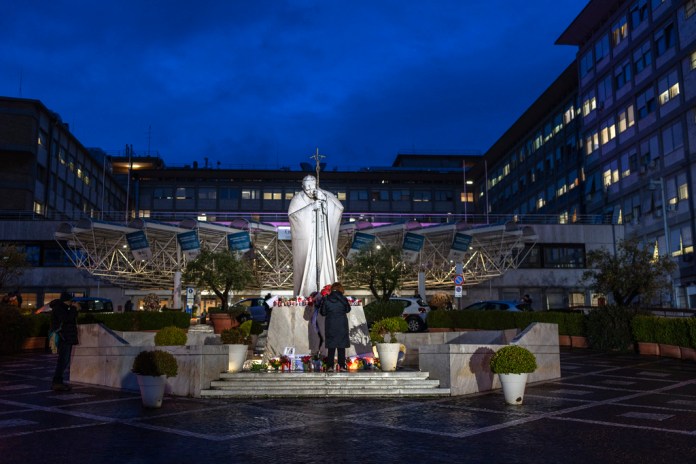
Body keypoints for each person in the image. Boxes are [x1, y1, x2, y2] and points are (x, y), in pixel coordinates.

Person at [288, 175, 343, 297]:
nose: (309, 191)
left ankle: (326, 288)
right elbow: (293, 216)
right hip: (308, 241)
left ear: (316, 184)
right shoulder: (297, 199)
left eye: (311, 188)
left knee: (324, 263)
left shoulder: (325, 194)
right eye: (306, 188)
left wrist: (324, 201)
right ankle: (306, 292)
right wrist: (311, 208)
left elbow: (339, 208)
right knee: (307, 266)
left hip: (323, 239)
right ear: (302, 187)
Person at [49, 292, 79, 391]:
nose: (73, 302)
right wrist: (74, 309)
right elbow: (67, 319)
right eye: (72, 300)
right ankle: (57, 382)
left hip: (66, 337)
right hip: (64, 337)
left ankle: (59, 381)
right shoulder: (59, 308)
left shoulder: (64, 308)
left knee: (64, 361)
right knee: (63, 360)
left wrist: (73, 309)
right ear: (68, 300)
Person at [319, 282, 352, 372]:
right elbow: (348, 309)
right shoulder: (343, 298)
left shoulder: (326, 298)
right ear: (340, 288)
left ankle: (330, 366)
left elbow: (323, 312)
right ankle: (342, 366)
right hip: (342, 324)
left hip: (330, 324)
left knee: (331, 346)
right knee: (341, 346)